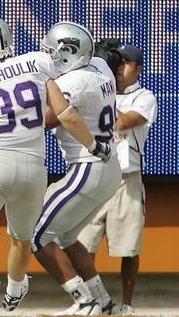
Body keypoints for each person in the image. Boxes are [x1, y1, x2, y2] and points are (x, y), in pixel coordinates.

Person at [0, 16, 111, 316]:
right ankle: (15, 289)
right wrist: (94, 145)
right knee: (21, 238)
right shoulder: (37, 62)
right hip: (34, 168)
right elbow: (65, 112)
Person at [31, 22, 121, 315]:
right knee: (67, 237)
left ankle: (84, 299)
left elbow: (46, 119)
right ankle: (103, 300)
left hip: (88, 166)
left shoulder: (73, 83)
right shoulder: (99, 67)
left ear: (69, 53)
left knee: (35, 235)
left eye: (53, 52)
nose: (49, 58)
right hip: (108, 168)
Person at [78, 44, 157, 315]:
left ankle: (126, 302)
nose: (119, 68)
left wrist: (104, 88)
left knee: (128, 246)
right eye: (116, 63)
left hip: (127, 179)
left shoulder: (144, 96)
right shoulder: (98, 91)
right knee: (84, 241)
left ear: (138, 69)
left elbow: (121, 122)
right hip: (97, 174)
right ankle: (89, 299)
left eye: (125, 64)